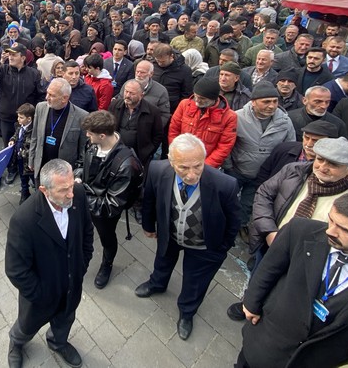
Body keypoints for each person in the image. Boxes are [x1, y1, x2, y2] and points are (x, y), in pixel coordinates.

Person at [236, 194, 348, 368]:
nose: (330, 231)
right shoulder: (300, 230)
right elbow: (269, 268)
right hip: (263, 346)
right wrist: (251, 302)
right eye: (331, 220)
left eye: (345, 230)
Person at [228, 136, 348, 321]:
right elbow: (264, 194)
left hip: (308, 259)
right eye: (320, 159)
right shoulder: (294, 171)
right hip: (272, 242)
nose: (322, 167)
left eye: (333, 164)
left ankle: (268, 316)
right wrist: (269, 231)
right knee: (260, 275)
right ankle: (248, 303)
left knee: (286, 290)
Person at [135, 134, 240, 340]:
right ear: (171, 160)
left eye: (197, 166)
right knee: (162, 261)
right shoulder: (157, 170)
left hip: (203, 245)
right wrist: (148, 225)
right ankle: (157, 284)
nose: (191, 175)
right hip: (170, 235)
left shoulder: (225, 184)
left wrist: (221, 248)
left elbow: (233, 221)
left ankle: (187, 312)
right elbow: (149, 199)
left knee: (196, 281)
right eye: (183, 167)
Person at [4, 159, 93, 368]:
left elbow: (87, 233)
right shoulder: (23, 220)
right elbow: (16, 270)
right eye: (64, 190)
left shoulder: (77, 194)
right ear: (44, 190)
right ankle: (16, 343)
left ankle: (57, 342)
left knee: (65, 320)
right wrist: (41, 295)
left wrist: (81, 267)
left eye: (72, 185)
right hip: (40, 297)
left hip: (71, 287)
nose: (71, 194)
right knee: (26, 327)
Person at [77, 110, 143, 289]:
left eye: (90, 133)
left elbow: (111, 207)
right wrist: (77, 176)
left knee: (107, 238)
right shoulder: (92, 145)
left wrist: (81, 196)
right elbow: (82, 164)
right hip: (87, 198)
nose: (87, 136)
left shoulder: (126, 165)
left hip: (101, 211)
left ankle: (107, 264)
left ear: (102, 135)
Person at [228, 82, 296, 234]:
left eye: (275, 101)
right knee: (227, 198)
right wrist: (228, 167)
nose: (272, 106)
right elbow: (227, 144)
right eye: (266, 101)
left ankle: (241, 225)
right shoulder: (237, 117)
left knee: (249, 203)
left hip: (263, 175)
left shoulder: (284, 121)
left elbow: (289, 149)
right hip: (237, 170)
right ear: (253, 102)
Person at [167, 77, 237, 168]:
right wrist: (177, 156)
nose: (197, 100)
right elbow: (173, 131)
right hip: (181, 160)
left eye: (202, 98)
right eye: (195, 96)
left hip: (206, 165)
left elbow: (224, 146)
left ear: (213, 99)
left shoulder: (229, 117)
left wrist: (203, 167)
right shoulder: (184, 105)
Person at [28, 78, 87, 179]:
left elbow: (83, 149)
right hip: (42, 164)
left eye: (52, 95)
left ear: (64, 98)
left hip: (63, 172)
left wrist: (78, 171)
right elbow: (34, 137)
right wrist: (31, 159)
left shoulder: (82, 116)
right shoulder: (40, 107)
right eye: (47, 93)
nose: (47, 97)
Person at [255, 120, 338, 185]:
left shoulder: (336, 165)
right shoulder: (283, 149)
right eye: (306, 138)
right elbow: (262, 177)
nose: (309, 144)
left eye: (315, 141)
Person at [7, 103, 35, 202]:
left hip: (30, 163)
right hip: (20, 159)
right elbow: (16, 135)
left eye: (21, 117)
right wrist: (12, 140)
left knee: (34, 179)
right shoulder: (19, 126)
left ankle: (38, 196)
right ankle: (25, 192)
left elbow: (33, 147)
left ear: (29, 119)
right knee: (23, 177)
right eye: (18, 117)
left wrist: (22, 152)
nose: (18, 119)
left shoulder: (34, 131)